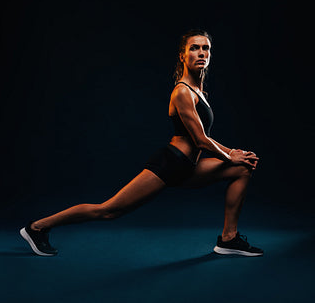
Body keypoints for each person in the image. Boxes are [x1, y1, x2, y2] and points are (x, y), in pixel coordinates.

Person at [20, 29, 263, 257]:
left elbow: (202, 136)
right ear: (183, 55)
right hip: (171, 163)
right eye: (194, 48)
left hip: (190, 166)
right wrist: (229, 155)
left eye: (206, 48)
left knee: (243, 168)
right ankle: (37, 227)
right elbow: (200, 140)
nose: (201, 53)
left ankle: (228, 239)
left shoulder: (200, 91)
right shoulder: (182, 92)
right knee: (107, 210)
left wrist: (234, 152)